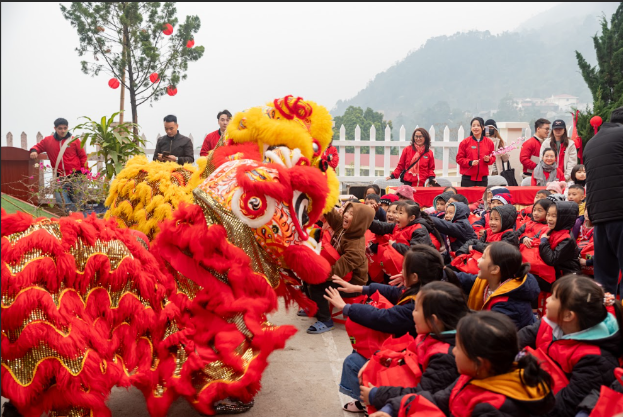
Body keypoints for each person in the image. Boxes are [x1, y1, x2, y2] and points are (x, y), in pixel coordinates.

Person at [332, 247, 458, 413]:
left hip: (411, 387)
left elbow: (383, 317)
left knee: (354, 362)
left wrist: (346, 308)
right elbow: (396, 292)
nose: (400, 271)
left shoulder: (442, 352)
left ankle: (370, 404)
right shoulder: (430, 292)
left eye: (404, 268)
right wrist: (359, 288)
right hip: (410, 364)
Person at [379, 311, 555, 417]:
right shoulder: (473, 375)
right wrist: (391, 408)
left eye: (459, 348)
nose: (453, 351)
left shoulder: (494, 408)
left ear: (479, 363)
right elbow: (440, 399)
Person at [518, 275, 622, 417]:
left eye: (554, 297)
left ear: (568, 315)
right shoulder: (552, 322)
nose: (547, 299)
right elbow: (517, 341)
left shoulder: (597, 360)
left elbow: (564, 407)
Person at [362, 282, 469, 412]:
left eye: (416, 309)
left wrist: (376, 395)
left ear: (433, 320)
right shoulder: (432, 334)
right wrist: (374, 359)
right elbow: (405, 349)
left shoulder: (445, 357)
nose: (412, 314)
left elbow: (423, 395)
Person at [306, 202, 375, 334]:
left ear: (360, 221)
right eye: (346, 211)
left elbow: (338, 269)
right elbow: (329, 211)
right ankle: (315, 308)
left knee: (317, 284)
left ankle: (325, 320)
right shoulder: (342, 228)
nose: (346, 215)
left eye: (352, 214)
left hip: (352, 284)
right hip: (341, 276)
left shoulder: (355, 246)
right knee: (307, 275)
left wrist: (318, 274)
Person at [583, 106, 623, 295]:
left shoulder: (592, 142)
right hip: (620, 212)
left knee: (605, 282)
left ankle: (606, 322)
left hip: (600, 216)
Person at [29, 117, 88, 213]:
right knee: (61, 201)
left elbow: (83, 157)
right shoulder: (48, 141)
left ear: (68, 128)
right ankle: (76, 217)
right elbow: (37, 147)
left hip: (76, 176)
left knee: (78, 202)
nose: (63, 130)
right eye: (60, 128)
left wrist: (84, 173)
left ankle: (79, 222)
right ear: (55, 128)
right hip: (59, 176)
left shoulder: (74, 141)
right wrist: (34, 151)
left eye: (65, 128)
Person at [538, 200, 581, 286]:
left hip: (565, 276)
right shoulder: (549, 229)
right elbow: (535, 238)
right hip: (553, 271)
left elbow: (552, 259)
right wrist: (525, 238)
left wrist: (543, 242)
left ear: (564, 219)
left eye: (554, 216)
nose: (549, 219)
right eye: (548, 215)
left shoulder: (567, 239)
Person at [368, 202, 434, 254]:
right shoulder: (400, 225)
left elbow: (415, 252)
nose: (396, 216)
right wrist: (366, 220)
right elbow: (381, 227)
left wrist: (395, 245)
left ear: (411, 218)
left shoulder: (419, 230)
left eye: (400, 213)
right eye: (396, 213)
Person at [456, 117, 495, 187]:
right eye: (473, 126)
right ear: (471, 128)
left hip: (483, 179)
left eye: (478, 125)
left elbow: (493, 157)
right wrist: (470, 162)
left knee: (482, 198)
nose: (476, 128)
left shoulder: (489, 142)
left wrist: (488, 160)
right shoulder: (465, 142)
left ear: (483, 128)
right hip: (467, 179)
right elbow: (459, 159)